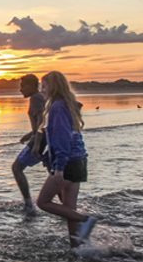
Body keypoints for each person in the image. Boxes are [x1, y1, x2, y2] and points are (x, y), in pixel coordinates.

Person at [35, 71, 97, 247]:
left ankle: (85, 219)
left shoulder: (57, 107)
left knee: (43, 202)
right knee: (69, 211)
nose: (41, 91)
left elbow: (63, 138)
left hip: (68, 163)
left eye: (44, 87)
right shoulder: (66, 105)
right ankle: (78, 248)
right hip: (79, 160)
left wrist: (59, 167)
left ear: (53, 87)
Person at [11, 74, 45, 214]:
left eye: (23, 86)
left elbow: (42, 122)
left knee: (17, 168)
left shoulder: (36, 99)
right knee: (53, 173)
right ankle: (65, 206)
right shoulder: (40, 97)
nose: (20, 90)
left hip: (41, 140)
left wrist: (36, 144)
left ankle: (28, 204)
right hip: (44, 139)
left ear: (32, 86)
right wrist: (30, 134)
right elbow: (40, 123)